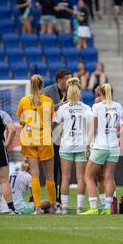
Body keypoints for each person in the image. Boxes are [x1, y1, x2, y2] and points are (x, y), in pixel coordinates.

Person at [17, 75, 58, 214]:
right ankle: (53, 206)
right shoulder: (48, 101)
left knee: (34, 174)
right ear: (42, 85)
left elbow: (21, 121)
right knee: (49, 176)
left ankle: (38, 208)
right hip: (44, 137)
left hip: (29, 138)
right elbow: (50, 121)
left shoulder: (24, 100)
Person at [80, 84, 123, 215]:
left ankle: (93, 207)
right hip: (114, 147)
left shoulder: (97, 107)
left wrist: (87, 145)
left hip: (100, 146)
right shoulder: (118, 106)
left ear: (101, 93)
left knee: (87, 176)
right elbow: (120, 128)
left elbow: (93, 129)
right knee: (109, 177)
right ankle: (107, 208)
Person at [54, 77, 92, 214]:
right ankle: (79, 207)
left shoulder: (63, 108)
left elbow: (57, 125)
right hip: (81, 145)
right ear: (79, 92)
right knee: (81, 177)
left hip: (66, 145)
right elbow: (90, 127)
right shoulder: (86, 108)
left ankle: (64, 207)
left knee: (65, 178)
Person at [44, 69, 72, 204]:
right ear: (60, 80)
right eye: (68, 79)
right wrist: (59, 105)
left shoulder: (73, 90)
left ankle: (62, 199)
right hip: (53, 135)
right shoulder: (48, 91)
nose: (70, 82)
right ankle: (54, 199)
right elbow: (43, 109)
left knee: (64, 170)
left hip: (68, 136)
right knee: (54, 169)